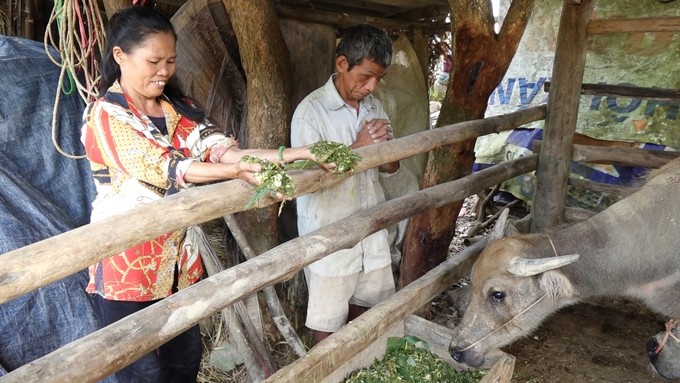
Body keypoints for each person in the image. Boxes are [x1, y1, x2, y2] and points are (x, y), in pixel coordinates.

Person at [81, 5, 324, 382]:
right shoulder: (106, 116)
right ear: (120, 56)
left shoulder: (178, 108)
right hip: (128, 268)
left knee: (185, 362)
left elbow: (223, 150)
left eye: (171, 61)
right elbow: (167, 167)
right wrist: (234, 173)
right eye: (154, 61)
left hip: (181, 264)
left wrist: (295, 154)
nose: (164, 71)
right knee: (142, 373)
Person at [290, 24, 400, 345]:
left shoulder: (374, 107)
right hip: (330, 238)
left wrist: (387, 150)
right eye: (365, 76)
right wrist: (358, 148)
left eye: (379, 78)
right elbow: (307, 181)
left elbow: (391, 167)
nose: (371, 86)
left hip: (372, 232)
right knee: (327, 326)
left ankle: (360, 370)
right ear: (342, 64)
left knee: (367, 314)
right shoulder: (311, 112)